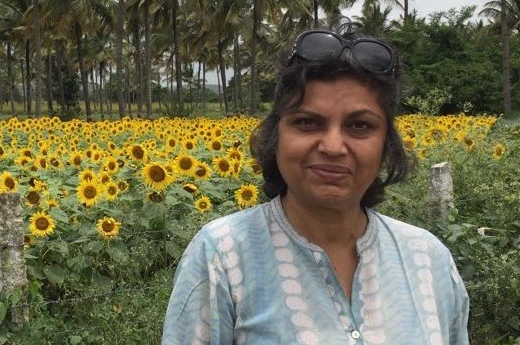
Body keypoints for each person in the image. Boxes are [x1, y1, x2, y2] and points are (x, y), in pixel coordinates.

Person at [162, 29, 469, 344]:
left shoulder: (429, 259)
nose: (334, 146)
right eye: (308, 122)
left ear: (386, 145)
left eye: (360, 125)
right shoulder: (221, 256)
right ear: (276, 135)